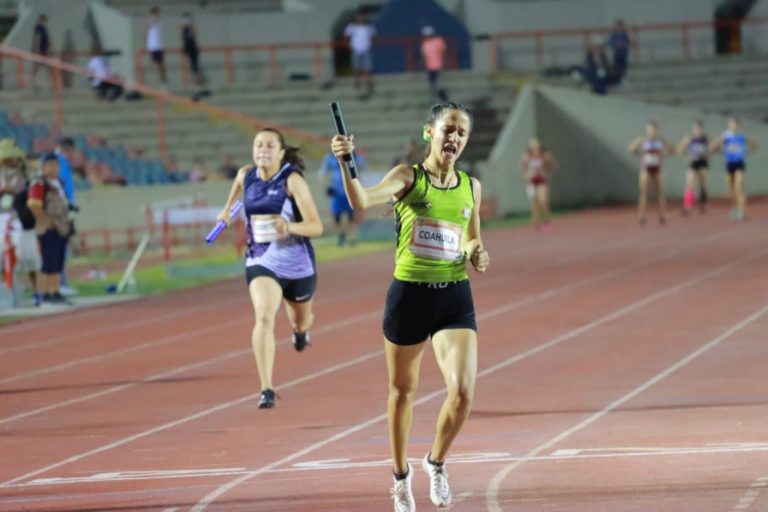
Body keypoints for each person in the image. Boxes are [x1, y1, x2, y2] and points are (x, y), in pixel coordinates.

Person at [330, 102, 490, 512]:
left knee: (464, 392)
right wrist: (347, 163)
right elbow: (361, 199)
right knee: (403, 392)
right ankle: (400, 479)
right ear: (429, 133)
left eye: (461, 133)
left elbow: (471, 236)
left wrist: (477, 251)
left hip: (454, 295)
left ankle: (435, 463)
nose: (453, 138)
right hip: (410, 296)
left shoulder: (470, 186)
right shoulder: (408, 177)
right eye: (447, 130)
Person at [216, 128, 323, 409]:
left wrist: (288, 227)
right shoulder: (245, 175)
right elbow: (232, 202)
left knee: (301, 320)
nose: (262, 149)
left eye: (269, 145)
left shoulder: (293, 181)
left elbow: (317, 226)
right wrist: (226, 212)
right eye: (258, 144)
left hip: (297, 264)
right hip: (261, 260)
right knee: (263, 317)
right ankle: (267, 388)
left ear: (280, 153)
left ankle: (300, 332)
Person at [26, 153, 72, 305]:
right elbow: (33, 204)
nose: (54, 168)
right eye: (50, 165)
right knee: (48, 260)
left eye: (56, 165)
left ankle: (55, 289)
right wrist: (46, 221)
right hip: (48, 226)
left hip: (62, 224)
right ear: (43, 167)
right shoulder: (39, 183)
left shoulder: (59, 182)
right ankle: (45, 292)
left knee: (58, 259)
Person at [0, 139, 41, 305]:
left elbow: (33, 193)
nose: (10, 161)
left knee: (28, 255)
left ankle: (37, 290)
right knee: (3, 256)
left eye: (12, 157)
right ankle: (8, 291)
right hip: (2, 218)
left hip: (21, 219)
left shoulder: (28, 174)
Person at [709, 117, 758, 221]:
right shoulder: (726, 137)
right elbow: (712, 147)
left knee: (738, 188)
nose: (733, 127)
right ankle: (734, 209)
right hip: (729, 164)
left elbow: (755, 146)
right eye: (731, 125)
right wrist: (720, 145)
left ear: (738, 126)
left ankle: (741, 211)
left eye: (734, 125)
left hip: (740, 163)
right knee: (731, 190)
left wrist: (746, 152)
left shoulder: (742, 137)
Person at [318, 149, 367, 246]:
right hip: (336, 191)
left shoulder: (353, 156)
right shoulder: (330, 158)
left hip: (350, 191)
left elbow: (362, 167)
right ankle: (340, 236)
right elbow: (322, 173)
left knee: (351, 216)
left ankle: (351, 237)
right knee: (337, 216)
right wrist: (326, 186)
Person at [628, 121, 673, 225]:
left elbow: (671, 149)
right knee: (644, 193)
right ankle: (642, 216)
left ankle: (662, 216)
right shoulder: (643, 140)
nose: (651, 132)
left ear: (656, 131)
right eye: (649, 130)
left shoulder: (660, 141)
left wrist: (664, 155)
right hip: (646, 168)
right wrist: (637, 147)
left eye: (653, 130)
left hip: (657, 168)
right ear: (646, 131)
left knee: (659, 193)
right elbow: (631, 149)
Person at [519, 137, 559, 230]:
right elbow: (521, 169)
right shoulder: (526, 156)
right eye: (532, 144)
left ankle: (546, 219)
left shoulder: (545, 155)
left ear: (540, 144)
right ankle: (536, 221)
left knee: (543, 201)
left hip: (542, 181)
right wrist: (526, 175)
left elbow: (554, 167)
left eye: (536, 143)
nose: (534, 146)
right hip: (531, 182)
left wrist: (546, 171)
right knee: (534, 203)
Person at [675, 120, 710, 215]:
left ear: (701, 130)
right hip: (693, 162)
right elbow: (678, 149)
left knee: (702, 185)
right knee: (690, 184)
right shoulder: (689, 139)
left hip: (703, 163)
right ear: (693, 129)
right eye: (695, 129)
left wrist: (707, 155)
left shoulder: (705, 139)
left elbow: (712, 148)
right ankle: (688, 206)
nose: (697, 130)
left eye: (699, 129)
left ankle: (702, 205)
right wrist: (685, 157)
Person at [344, 10, 376, 98]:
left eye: (362, 17)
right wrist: (349, 45)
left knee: (367, 68)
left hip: (366, 50)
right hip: (356, 50)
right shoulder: (352, 27)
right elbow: (346, 36)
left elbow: (373, 37)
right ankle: (356, 84)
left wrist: (371, 44)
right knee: (356, 69)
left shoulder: (369, 27)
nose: (361, 18)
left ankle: (369, 84)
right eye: (359, 17)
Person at [420, 26, 448, 101]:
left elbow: (443, 52)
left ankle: (443, 97)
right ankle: (435, 97)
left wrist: (445, 63)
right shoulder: (424, 44)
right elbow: (424, 56)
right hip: (430, 67)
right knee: (432, 83)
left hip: (438, 66)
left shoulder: (439, 41)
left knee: (440, 83)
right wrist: (423, 64)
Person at [30, 14, 53, 92]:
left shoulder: (44, 28)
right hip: (40, 52)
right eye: (43, 20)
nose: (44, 22)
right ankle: (34, 84)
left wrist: (49, 49)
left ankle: (50, 84)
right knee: (37, 68)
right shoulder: (38, 28)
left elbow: (47, 41)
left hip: (44, 51)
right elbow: (37, 39)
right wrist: (37, 51)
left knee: (47, 68)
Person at [180, 13, 204, 86]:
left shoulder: (191, 29)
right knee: (192, 66)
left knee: (195, 66)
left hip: (192, 48)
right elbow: (182, 38)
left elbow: (193, 34)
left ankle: (198, 81)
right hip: (188, 48)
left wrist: (190, 26)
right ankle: (195, 80)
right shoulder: (184, 30)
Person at [146, 7, 167, 85]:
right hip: (154, 47)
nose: (158, 15)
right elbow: (146, 32)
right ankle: (161, 80)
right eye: (156, 14)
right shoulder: (151, 22)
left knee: (161, 64)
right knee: (157, 64)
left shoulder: (159, 23)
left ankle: (163, 80)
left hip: (159, 46)